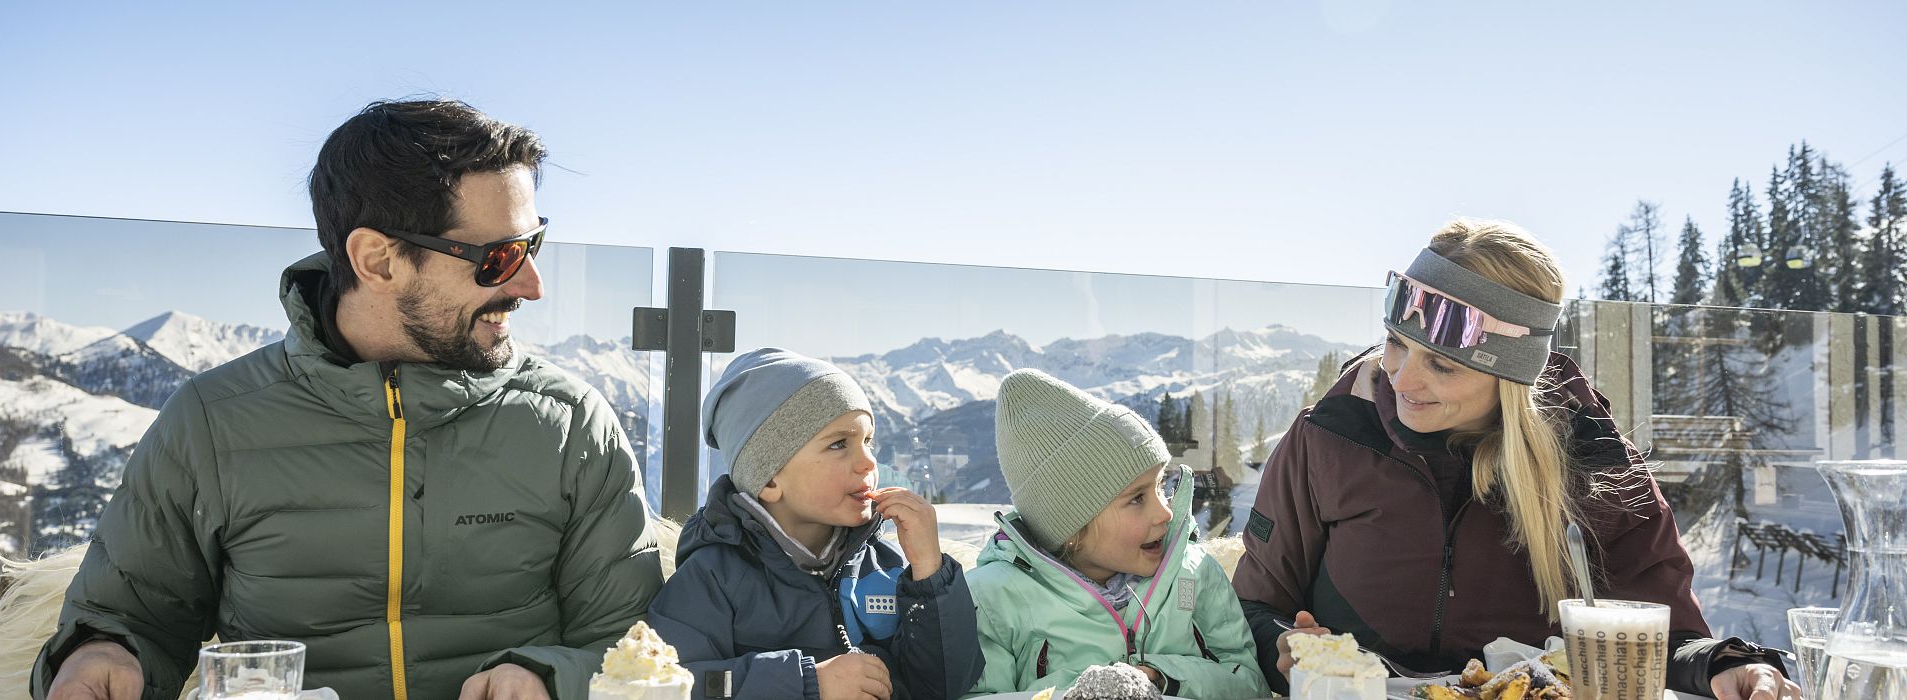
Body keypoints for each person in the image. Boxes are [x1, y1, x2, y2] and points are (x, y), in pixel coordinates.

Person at [31, 99, 664, 700]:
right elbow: (125, 615)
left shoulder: (568, 424)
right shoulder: (211, 423)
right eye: (498, 257)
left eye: (534, 244)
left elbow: (634, 648)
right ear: (377, 260)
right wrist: (102, 656)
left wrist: (549, 677)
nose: (532, 284)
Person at [1232, 219, 1799, 699]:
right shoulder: (1331, 436)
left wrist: (1723, 664)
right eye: (1397, 343)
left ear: (1510, 374)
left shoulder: (1590, 460)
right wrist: (1282, 643)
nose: (1403, 378)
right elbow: (1252, 607)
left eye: (1444, 365)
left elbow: (1656, 632)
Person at [646, 348, 981, 700]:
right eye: (839, 444)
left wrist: (930, 571)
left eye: (868, 442)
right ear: (770, 481)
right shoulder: (713, 576)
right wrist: (806, 683)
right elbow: (668, 684)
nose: (868, 462)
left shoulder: (884, 564)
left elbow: (946, 685)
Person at [963, 369, 1266, 699]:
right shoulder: (993, 599)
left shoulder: (1192, 574)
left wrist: (1163, 678)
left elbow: (1250, 684)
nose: (1164, 512)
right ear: (1072, 527)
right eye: (1137, 498)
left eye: (1160, 487)